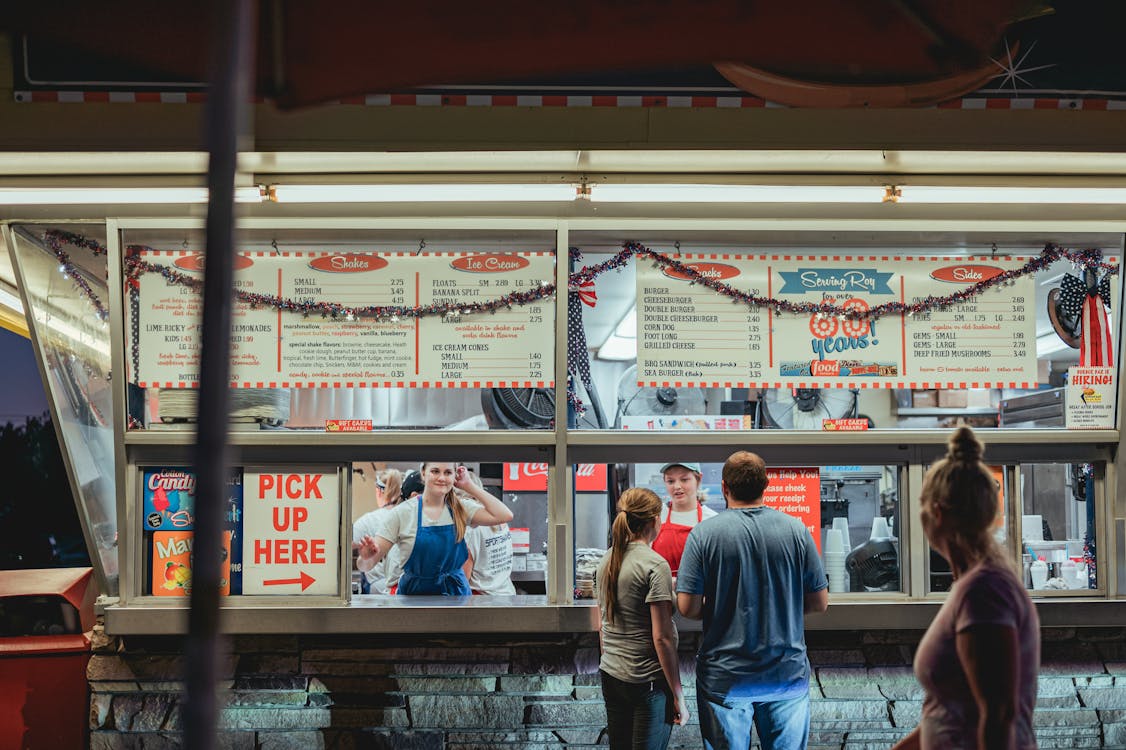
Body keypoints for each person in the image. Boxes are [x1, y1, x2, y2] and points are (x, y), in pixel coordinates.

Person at [892, 427, 1039, 750]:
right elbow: (950, 707)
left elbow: (999, 715)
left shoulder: (984, 592)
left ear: (937, 513)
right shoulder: (974, 584)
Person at [677, 450, 828, 750]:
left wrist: (724, 605)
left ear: (724, 488)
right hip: (785, 676)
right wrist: (780, 606)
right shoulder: (796, 530)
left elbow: (687, 608)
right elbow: (819, 603)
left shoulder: (704, 535)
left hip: (726, 679)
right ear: (765, 485)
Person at [595, 487, 688, 749]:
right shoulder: (654, 564)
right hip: (647, 682)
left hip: (612, 675)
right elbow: (662, 639)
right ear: (655, 520)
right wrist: (678, 695)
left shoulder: (606, 560)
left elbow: (602, 624)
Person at [357, 462, 513, 595]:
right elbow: (366, 565)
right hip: (414, 599)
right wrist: (366, 557)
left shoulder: (461, 508)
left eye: (448, 472)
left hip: (456, 598)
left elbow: (504, 515)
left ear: (455, 477)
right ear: (423, 473)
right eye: (435, 471)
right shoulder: (402, 513)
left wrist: (469, 486)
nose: (442, 478)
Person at [652, 461, 717, 577]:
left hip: (701, 594)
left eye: (684, 479)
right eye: (671, 481)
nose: (677, 486)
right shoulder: (655, 517)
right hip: (661, 593)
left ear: (698, 479)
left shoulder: (713, 520)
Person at [352, 469, 403, 594]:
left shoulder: (368, 520)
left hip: (377, 588)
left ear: (379, 491)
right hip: (401, 588)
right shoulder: (407, 515)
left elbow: (346, 545)